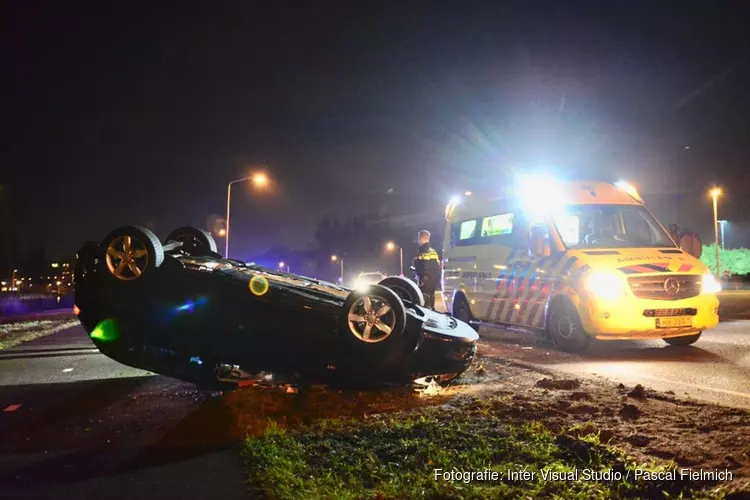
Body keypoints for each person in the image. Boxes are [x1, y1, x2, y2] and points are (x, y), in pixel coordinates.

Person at [413, 229, 441, 309]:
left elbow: (424, 266)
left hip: (425, 281)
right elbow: (437, 266)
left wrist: (422, 277)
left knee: (424, 305)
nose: (418, 240)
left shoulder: (423, 250)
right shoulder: (433, 251)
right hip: (433, 281)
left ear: (422, 238)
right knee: (431, 302)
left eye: (419, 238)